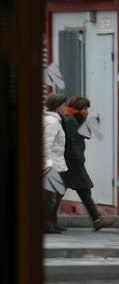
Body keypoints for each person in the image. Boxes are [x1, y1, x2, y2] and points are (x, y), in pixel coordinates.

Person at [62, 96, 116, 230]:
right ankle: (97, 219)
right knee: (79, 190)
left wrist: (87, 122)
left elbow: (86, 135)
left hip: (72, 162)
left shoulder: (74, 119)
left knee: (77, 190)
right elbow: (73, 143)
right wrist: (78, 160)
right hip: (72, 163)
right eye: (85, 109)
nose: (87, 112)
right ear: (78, 109)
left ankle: (97, 220)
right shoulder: (70, 121)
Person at [43, 93, 68, 234]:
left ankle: (51, 222)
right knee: (51, 196)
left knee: (56, 194)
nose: (65, 108)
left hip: (56, 162)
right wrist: (48, 165)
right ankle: (46, 224)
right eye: (64, 105)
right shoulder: (52, 122)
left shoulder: (54, 120)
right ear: (58, 106)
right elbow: (46, 144)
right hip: (52, 164)